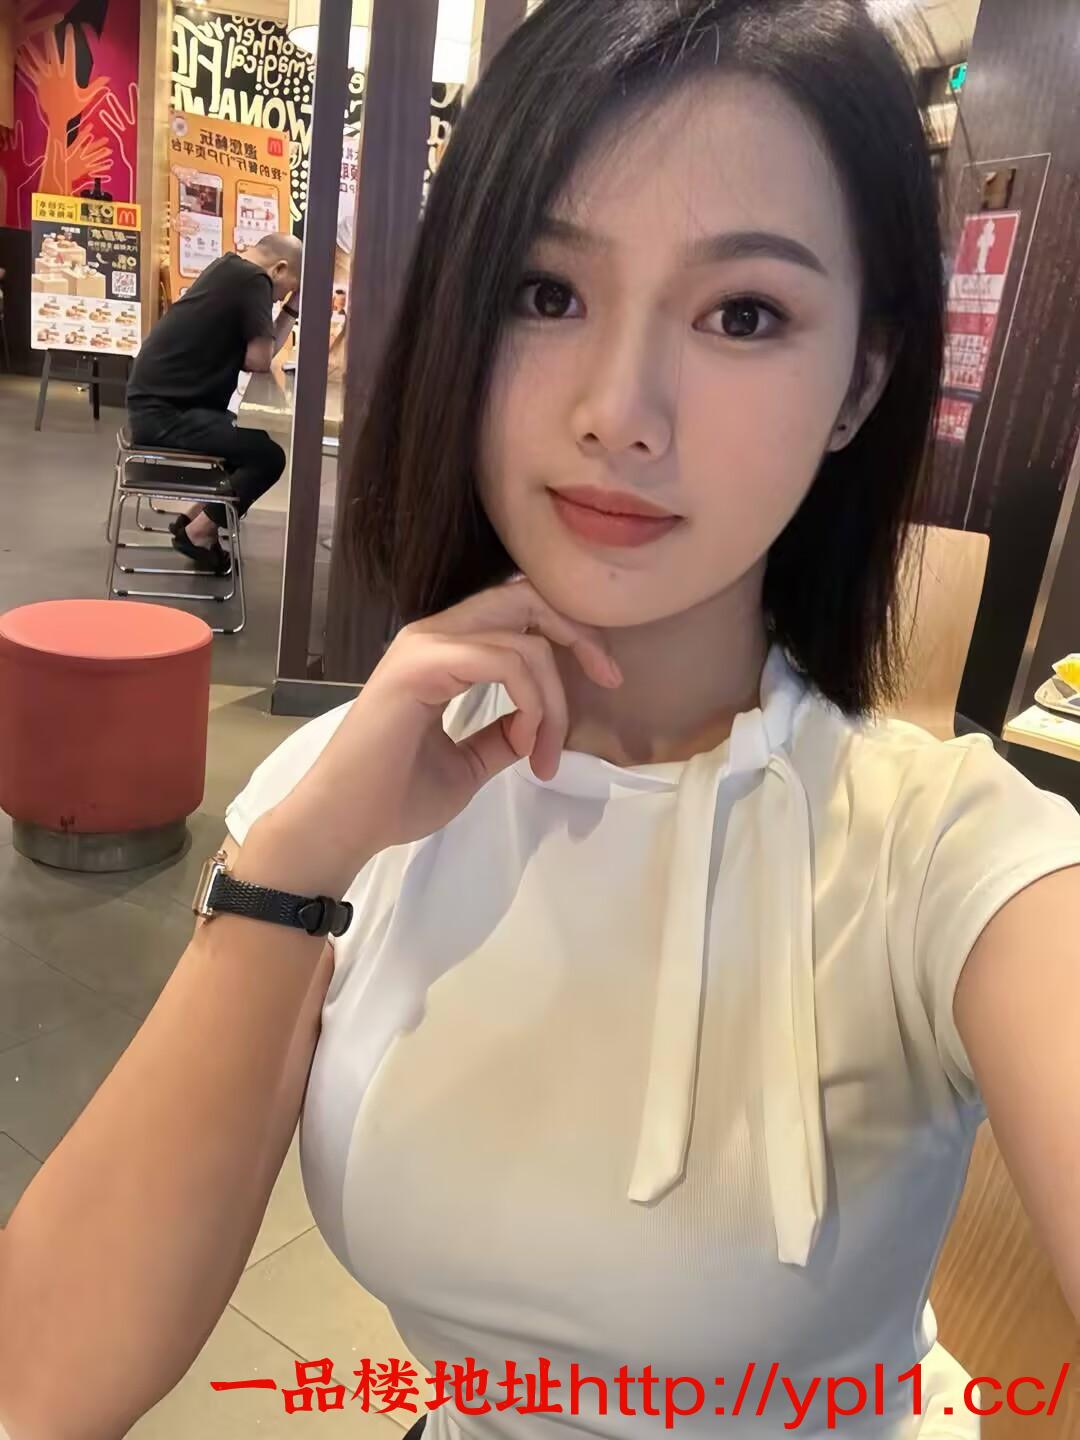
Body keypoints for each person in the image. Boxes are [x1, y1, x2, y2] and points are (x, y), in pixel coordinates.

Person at [2, 2, 1080, 1437]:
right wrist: (295, 863)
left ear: (860, 384)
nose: (619, 411)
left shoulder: (944, 855)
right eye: (547, 293)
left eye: (743, 314)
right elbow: (42, 1378)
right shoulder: (351, 789)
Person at [125, 232, 303, 575]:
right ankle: (199, 533)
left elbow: (259, 357)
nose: (283, 295)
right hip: (167, 415)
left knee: (249, 440)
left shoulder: (230, 267)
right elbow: (259, 360)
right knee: (268, 457)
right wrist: (290, 307)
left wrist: (293, 304)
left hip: (155, 405)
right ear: (279, 269)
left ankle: (192, 519)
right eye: (289, 287)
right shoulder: (255, 281)